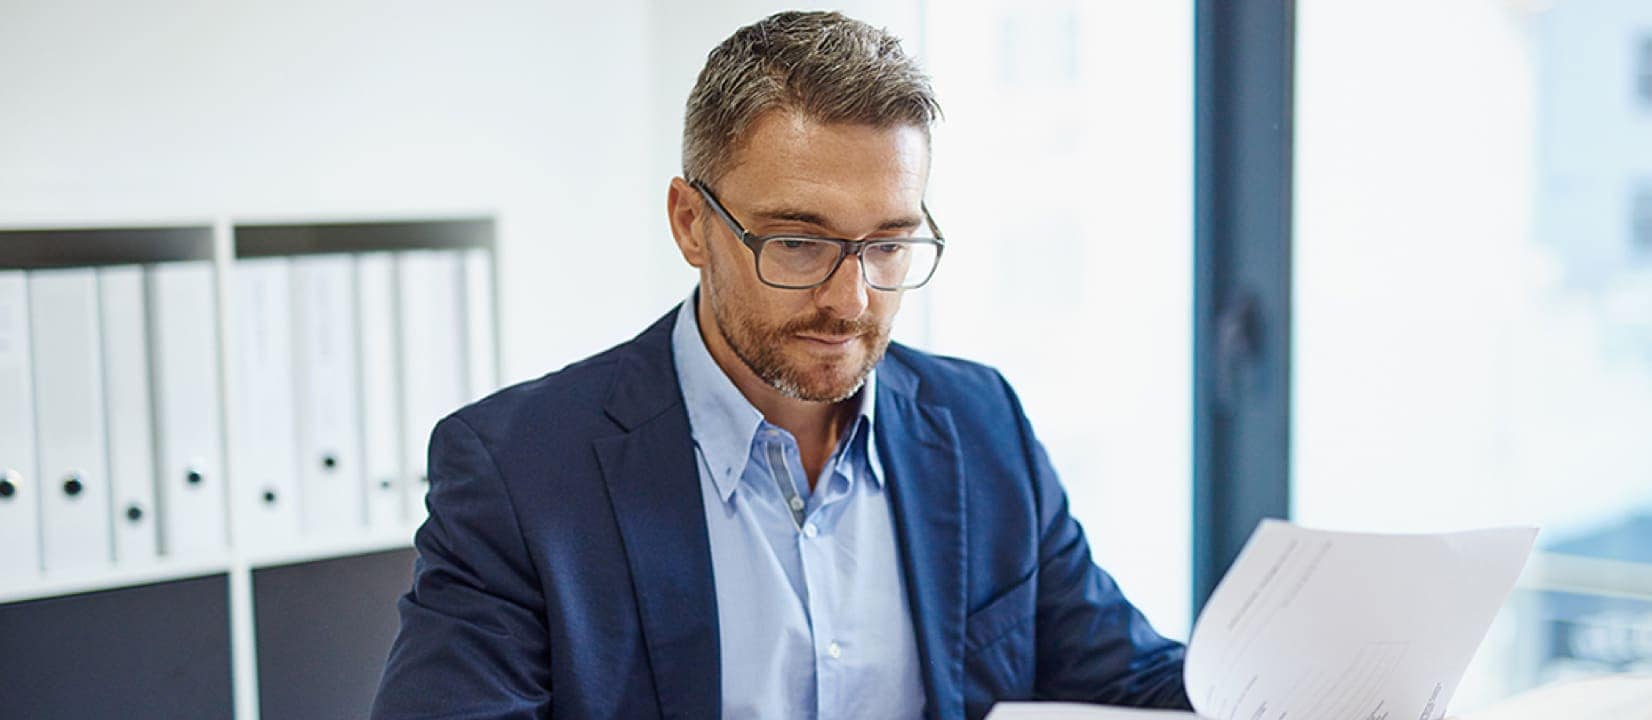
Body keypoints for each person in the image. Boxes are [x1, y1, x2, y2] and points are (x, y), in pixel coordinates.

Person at [371, 10, 1190, 720]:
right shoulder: (520, 471)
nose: (853, 299)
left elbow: (1124, 678)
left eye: (889, 244)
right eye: (799, 243)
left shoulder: (981, 421)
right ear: (691, 223)